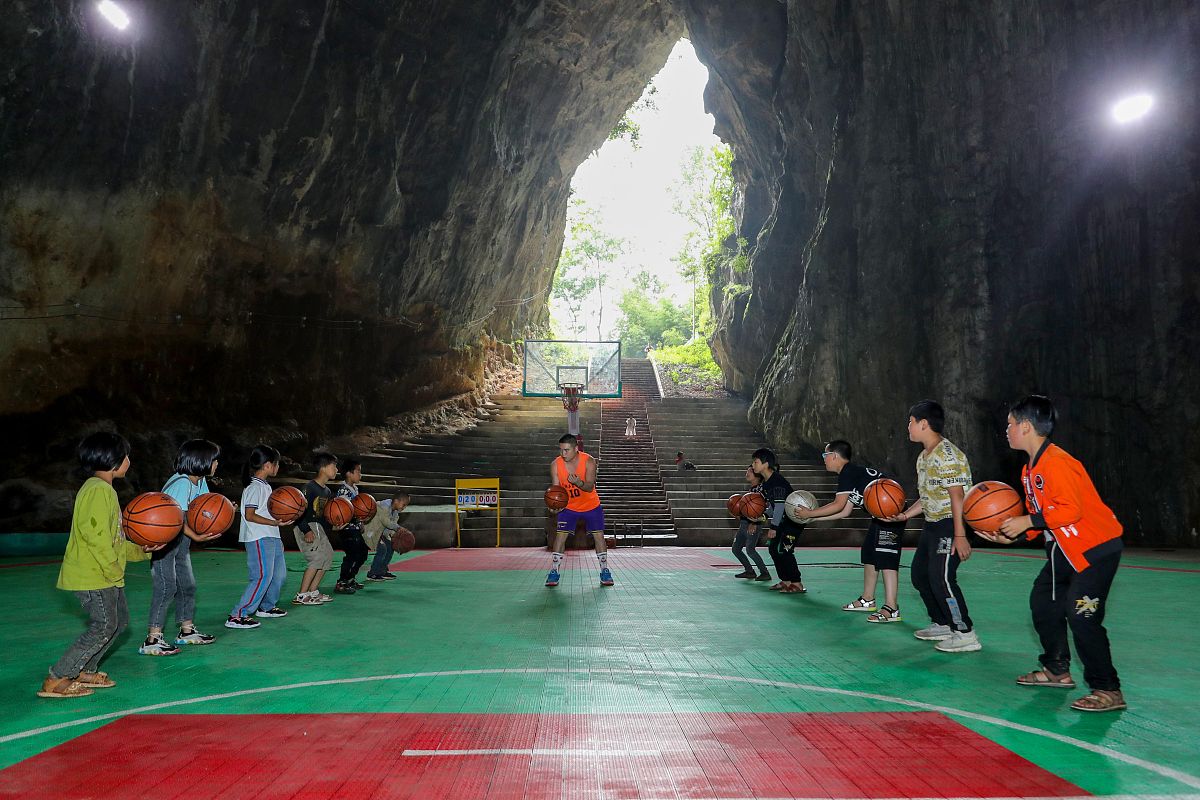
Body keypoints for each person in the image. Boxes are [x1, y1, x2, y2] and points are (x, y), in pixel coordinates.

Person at [982, 395, 1125, 712]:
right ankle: (1056, 670)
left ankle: (1108, 689)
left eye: (1010, 425)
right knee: (1043, 603)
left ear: (1026, 426)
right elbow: (1041, 520)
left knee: (1082, 616)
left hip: (1095, 551)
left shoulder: (1058, 463)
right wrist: (1015, 535)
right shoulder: (1028, 470)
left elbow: (1070, 511)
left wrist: (1027, 521)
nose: (1006, 430)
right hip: (1064, 551)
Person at [39, 432, 162, 698]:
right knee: (103, 625)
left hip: (104, 574)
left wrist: (143, 550)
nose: (129, 460)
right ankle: (58, 677)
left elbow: (114, 540)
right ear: (114, 459)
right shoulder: (97, 490)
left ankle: (83, 669)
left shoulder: (103, 490)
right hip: (93, 575)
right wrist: (112, 569)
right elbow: (96, 538)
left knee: (118, 623)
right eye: (126, 455)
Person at [887, 400, 979, 652]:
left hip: (951, 523)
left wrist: (960, 535)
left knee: (942, 578)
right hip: (933, 524)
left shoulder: (947, 455)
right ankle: (942, 622)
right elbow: (928, 496)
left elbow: (957, 497)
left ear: (924, 423)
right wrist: (905, 515)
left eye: (911, 422)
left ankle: (964, 632)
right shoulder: (924, 456)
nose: (908, 427)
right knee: (919, 575)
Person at [791, 440, 906, 623]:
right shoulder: (852, 474)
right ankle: (867, 599)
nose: (824, 460)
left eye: (825, 455)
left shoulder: (848, 473)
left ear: (834, 456)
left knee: (886, 560)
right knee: (868, 554)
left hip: (891, 514)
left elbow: (838, 504)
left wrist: (810, 512)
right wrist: (813, 519)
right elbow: (845, 511)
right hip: (880, 516)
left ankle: (891, 608)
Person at [140, 439, 224, 654]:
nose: (217, 464)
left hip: (181, 546)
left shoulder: (199, 481)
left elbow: (204, 506)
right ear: (201, 460)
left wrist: (223, 510)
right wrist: (196, 535)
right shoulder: (182, 483)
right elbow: (177, 520)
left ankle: (186, 631)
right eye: (214, 460)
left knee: (188, 586)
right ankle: (152, 639)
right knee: (166, 588)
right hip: (165, 544)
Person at [227, 445, 291, 626]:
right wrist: (274, 522)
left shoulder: (266, 487)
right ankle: (238, 615)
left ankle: (266, 607)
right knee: (262, 576)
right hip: (258, 537)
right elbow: (250, 515)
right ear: (268, 465)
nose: (278, 468)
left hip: (272, 536)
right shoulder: (255, 487)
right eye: (277, 464)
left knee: (279, 575)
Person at [546, 434, 613, 587]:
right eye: (561, 450)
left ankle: (604, 570)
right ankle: (554, 571)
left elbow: (589, 486)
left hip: (590, 504)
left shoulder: (588, 461)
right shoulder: (556, 465)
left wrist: (578, 482)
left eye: (567, 450)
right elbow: (557, 491)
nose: (563, 454)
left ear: (576, 449)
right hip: (568, 506)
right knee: (560, 537)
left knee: (599, 536)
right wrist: (555, 506)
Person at [752, 448, 806, 593]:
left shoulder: (777, 481)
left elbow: (781, 506)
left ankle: (797, 583)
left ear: (765, 464)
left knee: (784, 550)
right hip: (783, 521)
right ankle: (786, 580)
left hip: (793, 521)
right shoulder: (767, 483)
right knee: (773, 549)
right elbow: (773, 506)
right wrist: (762, 516)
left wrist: (773, 527)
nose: (753, 465)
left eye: (755, 462)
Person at [292, 451, 341, 605]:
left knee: (328, 556)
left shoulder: (326, 491)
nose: (336, 470)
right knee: (316, 558)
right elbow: (298, 511)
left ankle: (313, 591)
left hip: (318, 527)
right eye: (334, 466)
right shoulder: (309, 487)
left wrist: (334, 525)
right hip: (306, 527)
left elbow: (322, 516)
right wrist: (305, 529)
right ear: (323, 468)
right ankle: (301, 595)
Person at [334, 459, 370, 594]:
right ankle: (342, 582)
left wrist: (361, 521)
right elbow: (343, 513)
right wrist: (358, 517)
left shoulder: (354, 489)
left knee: (362, 554)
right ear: (349, 473)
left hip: (354, 528)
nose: (361, 474)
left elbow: (357, 510)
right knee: (352, 555)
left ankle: (350, 578)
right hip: (346, 530)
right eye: (358, 471)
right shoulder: (344, 491)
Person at [732, 466, 771, 581]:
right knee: (736, 549)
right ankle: (749, 571)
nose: (747, 473)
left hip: (753, 524)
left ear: (757, 475)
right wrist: (738, 514)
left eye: (749, 471)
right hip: (744, 523)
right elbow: (748, 510)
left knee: (750, 549)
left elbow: (762, 509)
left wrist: (754, 523)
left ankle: (765, 573)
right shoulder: (752, 489)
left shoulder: (761, 490)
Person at [364, 492, 410, 581]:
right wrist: (399, 529)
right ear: (396, 501)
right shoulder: (383, 507)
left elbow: (391, 526)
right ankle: (372, 573)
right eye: (403, 505)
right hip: (371, 532)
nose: (404, 508)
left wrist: (395, 536)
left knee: (390, 547)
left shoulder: (395, 512)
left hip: (381, 534)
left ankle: (382, 571)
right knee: (382, 549)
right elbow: (387, 522)